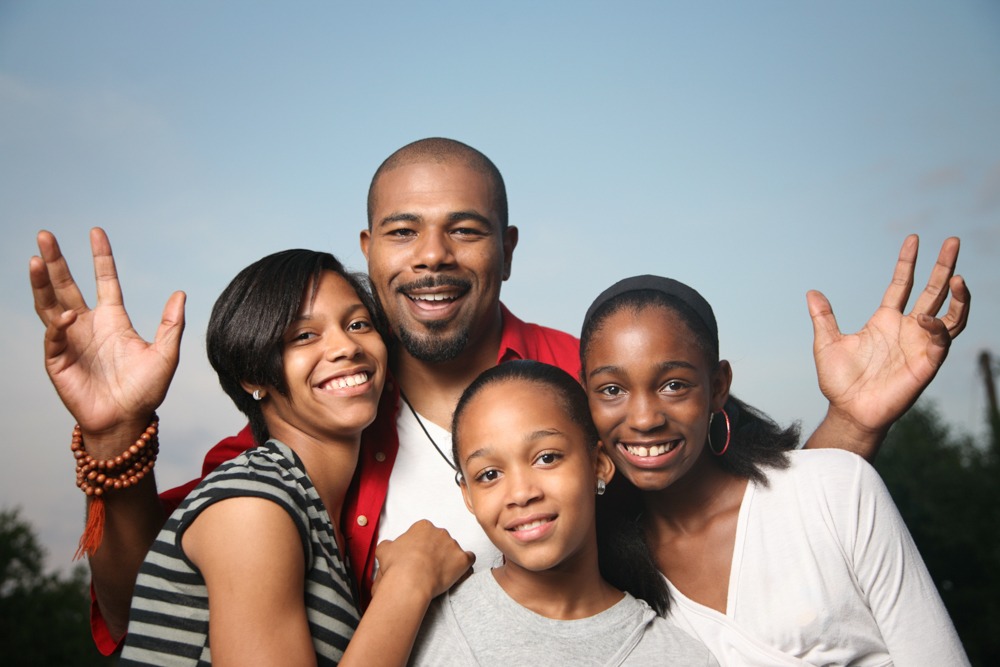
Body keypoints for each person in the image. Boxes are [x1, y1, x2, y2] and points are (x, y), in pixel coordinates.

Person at [28, 138, 970, 654]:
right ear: (368, 251)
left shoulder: (581, 379)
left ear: (507, 248)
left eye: (465, 230)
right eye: (403, 232)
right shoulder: (311, 429)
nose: (433, 255)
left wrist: (856, 420)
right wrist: (114, 438)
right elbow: (150, 600)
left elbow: (739, 525)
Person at [579, 275, 970, 666]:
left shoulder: (839, 487)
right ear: (586, 399)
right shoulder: (601, 571)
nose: (645, 419)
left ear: (718, 387)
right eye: (612, 390)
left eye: (674, 385)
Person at [113, 248, 473, 665]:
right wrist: (409, 583)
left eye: (358, 324)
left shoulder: (306, 507)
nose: (346, 347)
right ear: (253, 377)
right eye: (304, 335)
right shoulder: (252, 504)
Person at [409, 360, 716, 666]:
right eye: (489, 475)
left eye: (546, 458)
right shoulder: (419, 625)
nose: (521, 493)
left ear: (599, 464)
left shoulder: (681, 657)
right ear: (469, 497)